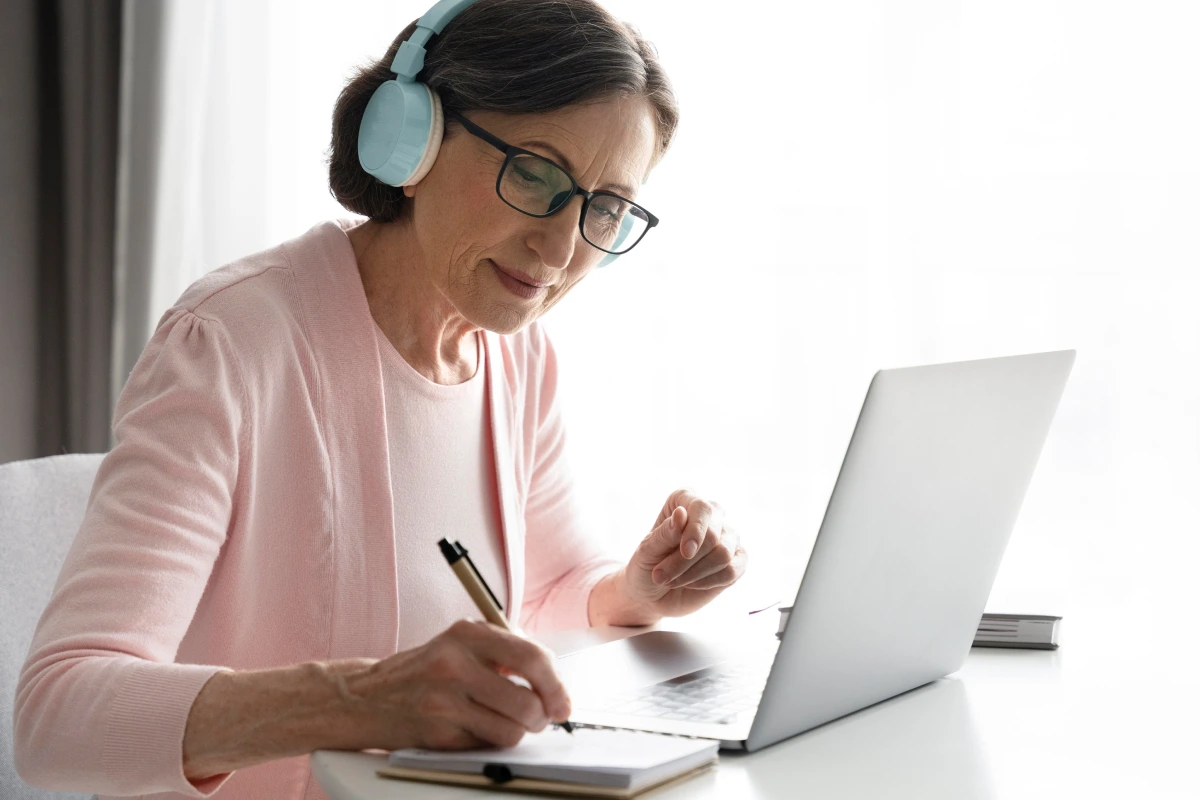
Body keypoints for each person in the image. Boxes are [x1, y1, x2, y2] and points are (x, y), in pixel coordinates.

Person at [13, 1, 747, 797]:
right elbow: (56, 720)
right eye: (535, 174)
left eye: (603, 206)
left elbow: (540, 599)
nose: (563, 248)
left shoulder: (519, 355)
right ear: (412, 137)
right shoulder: (232, 341)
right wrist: (359, 701)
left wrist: (636, 591)